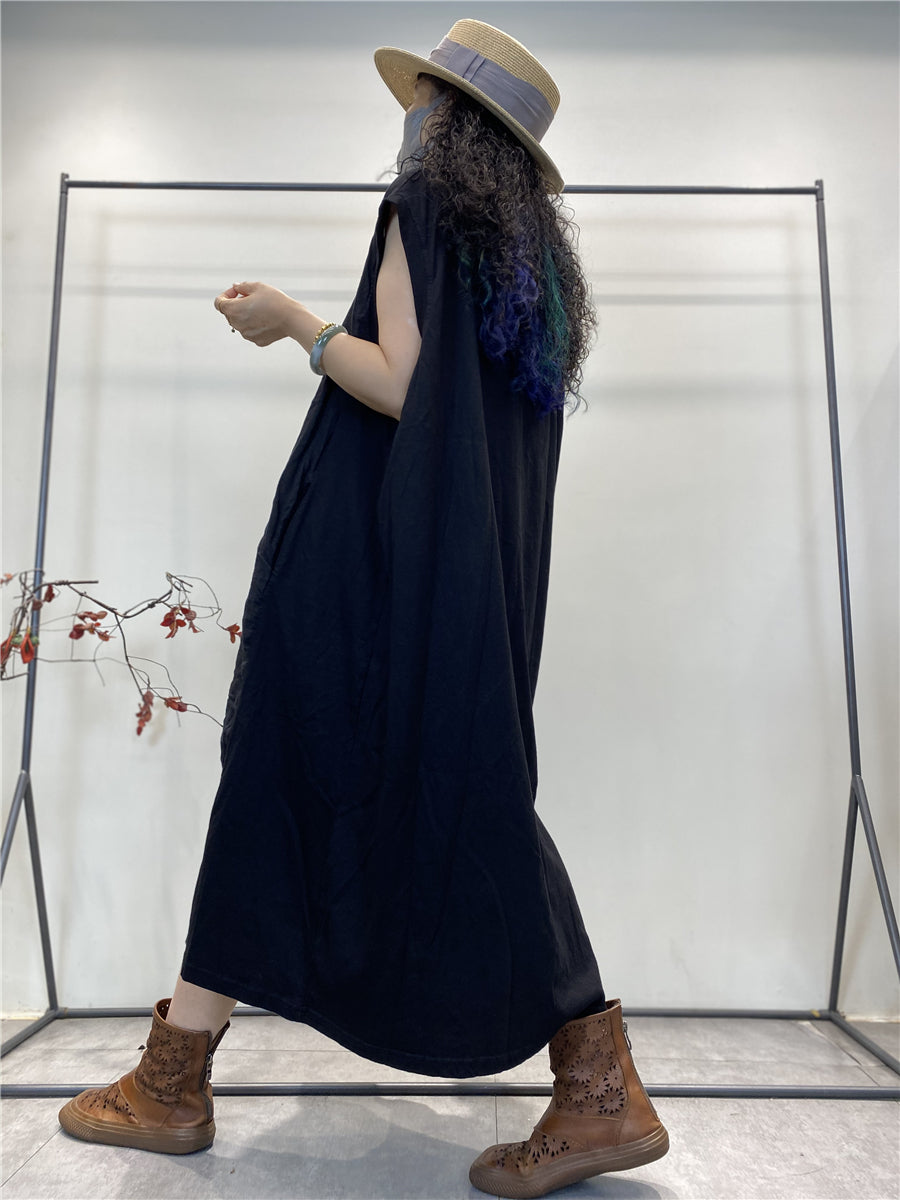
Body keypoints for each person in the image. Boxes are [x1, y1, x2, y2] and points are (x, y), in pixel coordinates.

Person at [57, 19, 669, 1198]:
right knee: (449, 788)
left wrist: (293, 322)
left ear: (451, 120)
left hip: (370, 573)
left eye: (425, 97)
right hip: (468, 580)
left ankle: (176, 1086)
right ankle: (592, 1088)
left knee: (297, 772)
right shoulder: (528, 264)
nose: (412, 116)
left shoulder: (421, 204)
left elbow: (400, 384)